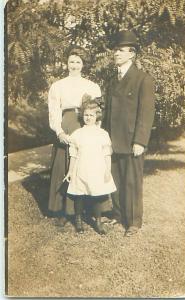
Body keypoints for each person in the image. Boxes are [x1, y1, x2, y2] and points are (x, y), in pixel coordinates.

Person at [104, 30, 155, 237]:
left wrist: (140, 141)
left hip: (132, 140)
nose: (115, 53)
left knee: (132, 181)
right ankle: (118, 216)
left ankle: (133, 222)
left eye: (120, 50)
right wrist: (103, 138)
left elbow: (146, 112)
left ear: (131, 54)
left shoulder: (143, 79)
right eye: (115, 49)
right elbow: (108, 111)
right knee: (115, 180)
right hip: (112, 139)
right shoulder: (112, 80)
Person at [48, 46, 101, 227]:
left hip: (84, 125)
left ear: (83, 64)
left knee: (83, 165)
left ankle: (84, 208)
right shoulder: (58, 86)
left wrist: (95, 132)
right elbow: (54, 111)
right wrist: (59, 132)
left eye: (78, 62)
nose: (75, 65)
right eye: (72, 61)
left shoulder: (91, 86)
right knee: (64, 166)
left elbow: (97, 112)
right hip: (66, 125)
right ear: (67, 63)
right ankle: (63, 210)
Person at [64, 98, 116, 234]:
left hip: (96, 169)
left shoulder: (102, 134)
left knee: (96, 194)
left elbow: (107, 154)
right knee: (79, 195)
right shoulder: (78, 134)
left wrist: (108, 170)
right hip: (81, 168)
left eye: (91, 115)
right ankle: (79, 221)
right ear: (82, 116)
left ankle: (98, 221)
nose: (88, 118)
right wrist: (70, 171)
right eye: (86, 115)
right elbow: (73, 154)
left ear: (97, 116)